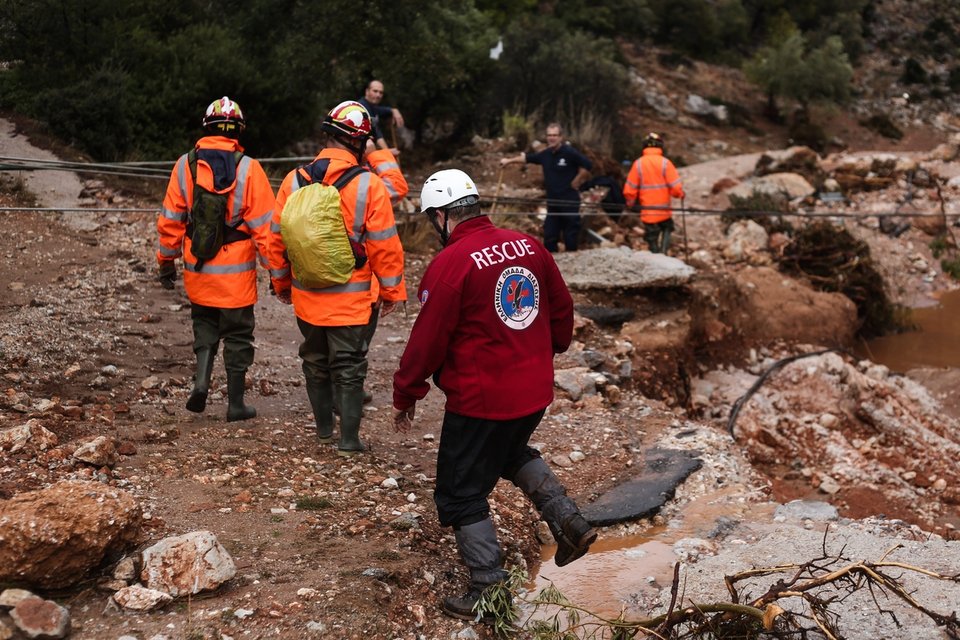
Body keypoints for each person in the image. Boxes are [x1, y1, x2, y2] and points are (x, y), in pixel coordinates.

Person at [392, 169, 597, 620]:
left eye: (432, 219)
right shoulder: (529, 245)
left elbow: (427, 340)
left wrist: (406, 393)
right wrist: (549, 349)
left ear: (441, 216)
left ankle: (489, 590)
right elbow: (562, 308)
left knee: (459, 492)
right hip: (533, 391)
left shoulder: (451, 263)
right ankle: (569, 523)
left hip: (481, 401)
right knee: (509, 452)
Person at [268, 100, 407, 456]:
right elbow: (384, 245)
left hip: (306, 294)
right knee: (349, 366)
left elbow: (276, 240)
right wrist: (392, 291)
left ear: (327, 136)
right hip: (352, 299)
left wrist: (281, 284)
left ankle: (323, 431)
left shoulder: (293, 180)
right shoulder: (369, 185)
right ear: (359, 142)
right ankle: (349, 440)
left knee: (314, 361)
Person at [156, 96, 274, 422]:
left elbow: (171, 220)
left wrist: (166, 261)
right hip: (236, 275)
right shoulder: (249, 168)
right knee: (238, 333)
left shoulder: (185, 165)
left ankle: (201, 383)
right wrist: (277, 274)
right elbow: (266, 230)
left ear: (206, 127)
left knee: (204, 322)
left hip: (198, 266)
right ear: (239, 130)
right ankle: (236, 405)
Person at [500, 122, 592, 252]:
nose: (552, 138)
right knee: (549, 237)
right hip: (552, 203)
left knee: (570, 238)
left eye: (555, 135)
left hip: (569, 202)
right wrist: (508, 161)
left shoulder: (569, 152)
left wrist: (577, 180)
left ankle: (572, 261)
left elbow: (588, 165)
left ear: (560, 137)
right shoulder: (545, 154)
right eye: (549, 135)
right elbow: (527, 158)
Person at [623, 132, 685, 254]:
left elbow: (630, 187)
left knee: (651, 235)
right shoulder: (665, 163)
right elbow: (676, 187)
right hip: (664, 210)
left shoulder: (638, 164)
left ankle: (656, 255)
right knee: (667, 228)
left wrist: (630, 202)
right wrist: (680, 194)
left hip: (648, 210)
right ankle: (664, 252)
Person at [357, 79, 405, 152]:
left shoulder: (373, 107)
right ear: (367, 91)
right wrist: (387, 151)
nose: (378, 95)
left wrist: (394, 110)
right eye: (375, 91)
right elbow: (376, 132)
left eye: (381, 92)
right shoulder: (362, 107)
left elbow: (383, 110)